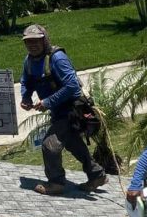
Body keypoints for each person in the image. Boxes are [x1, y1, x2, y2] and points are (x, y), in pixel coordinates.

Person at [20, 24, 107, 196]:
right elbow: (26, 81)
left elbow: (72, 87)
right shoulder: (29, 61)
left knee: (49, 146)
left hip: (71, 111)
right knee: (73, 144)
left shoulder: (57, 58)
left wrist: (48, 102)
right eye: (28, 41)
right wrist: (26, 97)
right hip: (58, 112)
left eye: (36, 40)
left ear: (44, 39)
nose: (32, 44)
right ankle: (96, 175)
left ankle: (56, 183)